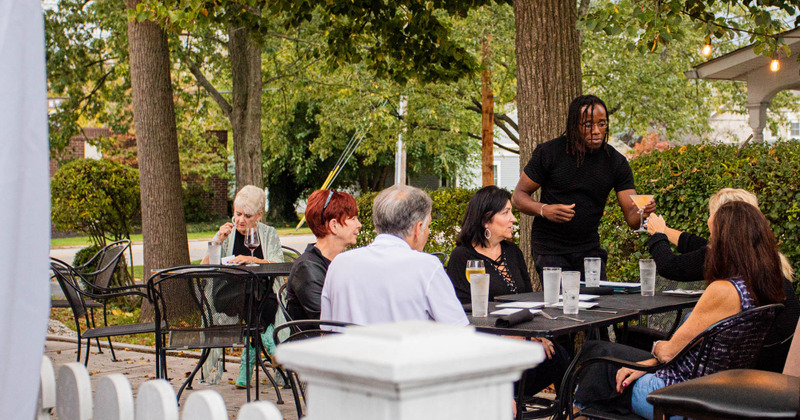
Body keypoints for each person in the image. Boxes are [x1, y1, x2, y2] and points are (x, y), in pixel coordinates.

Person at [574, 201, 786, 419]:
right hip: (720, 393)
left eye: (713, 238)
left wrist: (655, 349)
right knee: (607, 360)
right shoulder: (762, 288)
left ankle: (578, 411)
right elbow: (685, 351)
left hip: (680, 398)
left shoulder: (723, 290)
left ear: (728, 243)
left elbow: (668, 352)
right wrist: (647, 363)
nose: (708, 246)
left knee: (597, 357)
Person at [646, 188, 799, 372]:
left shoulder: (727, 261)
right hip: (779, 360)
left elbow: (671, 266)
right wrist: (663, 229)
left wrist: (657, 237)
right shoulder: (763, 258)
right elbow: (696, 244)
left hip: (754, 366)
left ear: (725, 221)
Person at [511, 95, 656, 281]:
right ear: (574, 125)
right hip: (550, 249)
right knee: (563, 303)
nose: (596, 131)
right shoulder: (549, 153)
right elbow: (518, 197)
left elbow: (633, 219)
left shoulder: (616, 162)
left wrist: (644, 212)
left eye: (602, 124)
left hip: (589, 248)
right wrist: (544, 210)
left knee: (597, 303)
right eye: (588, 125)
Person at [446, 185, 570, 400]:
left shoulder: (513, 252)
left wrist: (534, 335)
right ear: (486, 220)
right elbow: (462, 314)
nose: (513, 219)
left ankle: (563, 410)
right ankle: (503, 404)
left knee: (560, 355)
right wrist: (508, 337)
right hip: (487, 343)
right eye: (506, 212)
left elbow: (529, 302)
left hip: (522, 338)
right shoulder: (462, 256)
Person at [320, 184, 468, 327]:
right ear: (418, 228)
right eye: (427, 225)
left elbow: (325, 330)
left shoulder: (339, 264)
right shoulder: (426, 267)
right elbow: (459, 331)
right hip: (406, 352)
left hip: (345, 352)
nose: (427, 232)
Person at [201, 185, 284, 388]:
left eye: (247, 216)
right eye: (237, 214)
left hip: (263, 296)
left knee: (257, 298)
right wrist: (218, 240)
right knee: (251, 295)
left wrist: (252, 260)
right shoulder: (227, 233)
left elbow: (278, 264)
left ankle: (246, 365)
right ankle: (270, 345)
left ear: (258, 215)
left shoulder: (268, 233)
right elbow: (204, 267)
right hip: (227, 295)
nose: (240, 220)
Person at [285, 190, 361, 321]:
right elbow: (328, 323)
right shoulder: (306, 269)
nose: (359, 224)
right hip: (313, 341)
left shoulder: (338, 262)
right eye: (353, 219)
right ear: (334, 225)